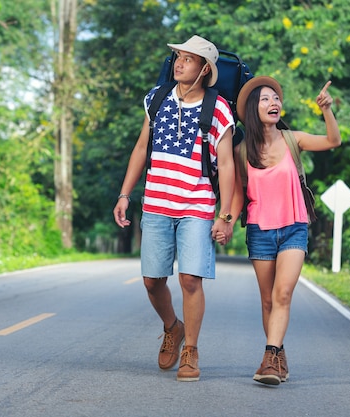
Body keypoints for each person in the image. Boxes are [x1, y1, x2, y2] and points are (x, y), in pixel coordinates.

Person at [113, 35, 236, 382]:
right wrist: (125, 195)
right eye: (178, 57)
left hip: (197, 204)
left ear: (204, 69)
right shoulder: (157, 98)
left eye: (188, 59)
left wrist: (224, 215)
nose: (179, 63)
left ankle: (191, 351)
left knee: (190, 280)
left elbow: (226, 165)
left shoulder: (219, 108)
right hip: (156, 202)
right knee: (152, 281)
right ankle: (173, 327)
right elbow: (141, 148)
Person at [230, 76, 341, 385]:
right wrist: (225, 220)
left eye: (275, 98)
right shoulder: (242, 152)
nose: (273, 103)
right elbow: (239, 193)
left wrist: (327, 111)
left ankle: (268, 360)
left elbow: (333, 141)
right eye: (265, 99)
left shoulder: (293, 139)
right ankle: (278, 356)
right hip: (259, 231)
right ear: (254, 109)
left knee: (283, 294)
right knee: (268, 301)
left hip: (294, 227)